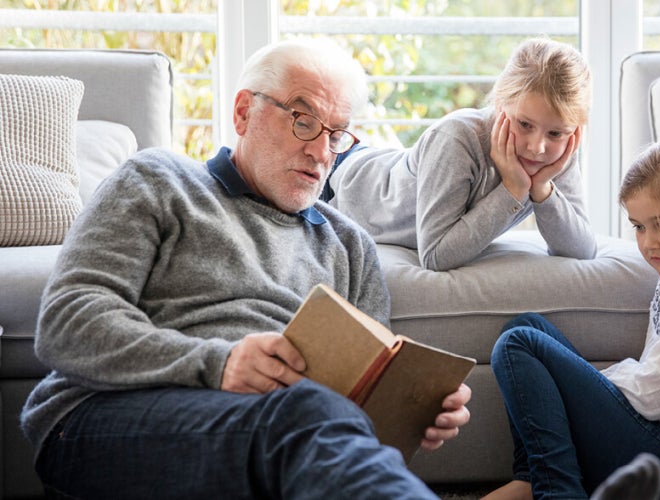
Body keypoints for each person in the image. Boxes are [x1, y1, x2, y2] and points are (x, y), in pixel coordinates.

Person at [21, 37, 471, 500]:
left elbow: (357, 411)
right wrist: (220, 364)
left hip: (276, 434)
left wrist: (410, 411)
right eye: (303, 121)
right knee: (301, 414)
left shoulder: (349, 245)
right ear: (243, 112)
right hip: (106, 417)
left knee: (307, 420)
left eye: (336, 134)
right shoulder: (158, 180)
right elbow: (66, 324)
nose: (322, 153)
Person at [483, 133, 660, 500]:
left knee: (518, 344)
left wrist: (591, 379)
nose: (649, 242)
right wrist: (580, 381)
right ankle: (533, 478)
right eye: (639, 226)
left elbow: (652, 396)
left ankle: (557, 491)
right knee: (526, 326)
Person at [325, 37, 597, 271]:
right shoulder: (456, 138)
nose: (537, 148)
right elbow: (435, 256)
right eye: (525, 125)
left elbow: (582, 250)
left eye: (555, 133)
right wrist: (513, 190)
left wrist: (542, 190)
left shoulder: (556, 155)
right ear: (500, 103)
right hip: (336, 177)